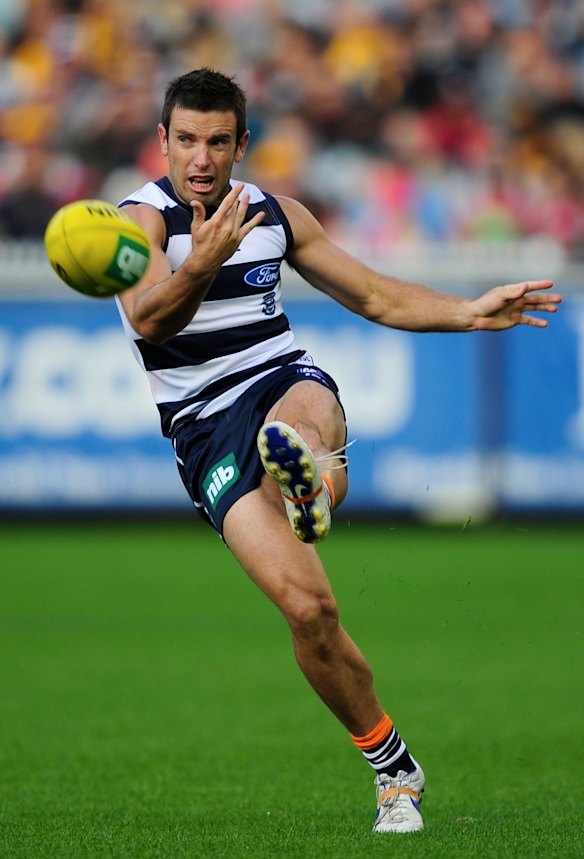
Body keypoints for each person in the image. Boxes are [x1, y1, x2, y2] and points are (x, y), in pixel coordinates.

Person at [115, 68, 562, 834]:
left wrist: (471, 311)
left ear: (241, 144)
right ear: (162, 141)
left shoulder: (276, 214)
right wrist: (201, 260)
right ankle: (395, 765)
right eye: (186, 139)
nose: (200, 157)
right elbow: (150, 319)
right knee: (309, 608)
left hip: (279, 377)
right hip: (201, 426)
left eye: (217, 141)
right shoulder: (141, 221)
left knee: (302, 407)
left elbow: (375, 295)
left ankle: (309, 488)